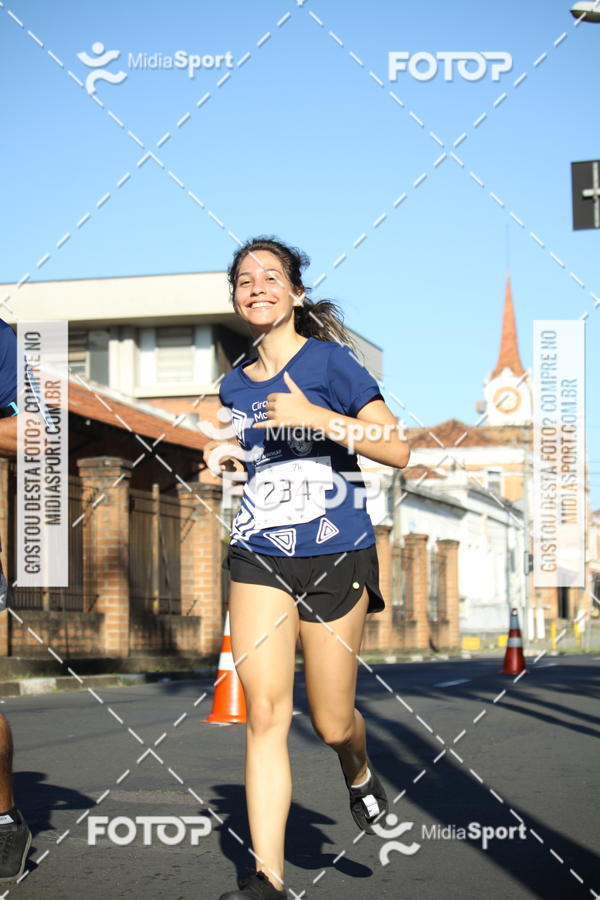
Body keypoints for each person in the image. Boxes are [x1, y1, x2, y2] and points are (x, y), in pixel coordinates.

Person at [208, 237, 410, 900]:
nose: (257, 286)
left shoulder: (331, 363)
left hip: (335, 553)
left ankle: (358, 768)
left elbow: (396, 447)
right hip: (259, 554)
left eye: (272, 277)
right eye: (245, 279)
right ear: (235, 298)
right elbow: (256, 452)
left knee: (331, 722)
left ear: (295, 293)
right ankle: (267, 879)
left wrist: (315, 415)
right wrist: (225, 455)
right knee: (266, 714)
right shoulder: (235, 383)